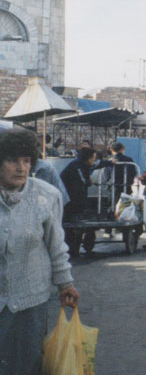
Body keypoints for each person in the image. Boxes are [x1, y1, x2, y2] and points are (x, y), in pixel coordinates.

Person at [0, 127, 79, 375]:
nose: (21, 168)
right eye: (13, 160)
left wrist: (65, 283)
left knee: (26, 365)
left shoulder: (46, 195)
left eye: (26, 161)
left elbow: (57, 246)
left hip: (30, 300)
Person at [60, 147, 98, 256]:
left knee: (75, 226)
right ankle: (73, 250)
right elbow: (83, 181)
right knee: (74, 226)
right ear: (87, 158)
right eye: (93, 159)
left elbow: (96, 165)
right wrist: (89, 181)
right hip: (71, 201)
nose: (93, 161)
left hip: (75, 199)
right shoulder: (77, 167)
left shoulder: (81, 165)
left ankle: (74, 249)